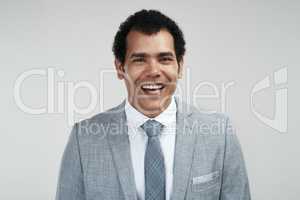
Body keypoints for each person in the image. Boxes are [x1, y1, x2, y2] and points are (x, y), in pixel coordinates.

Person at [55, 9, 251, 200]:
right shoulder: (84, 139)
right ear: (120, 67)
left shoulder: (220, 134)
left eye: (164, 59)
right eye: (140, 60)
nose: (154, 71)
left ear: (180, 66)